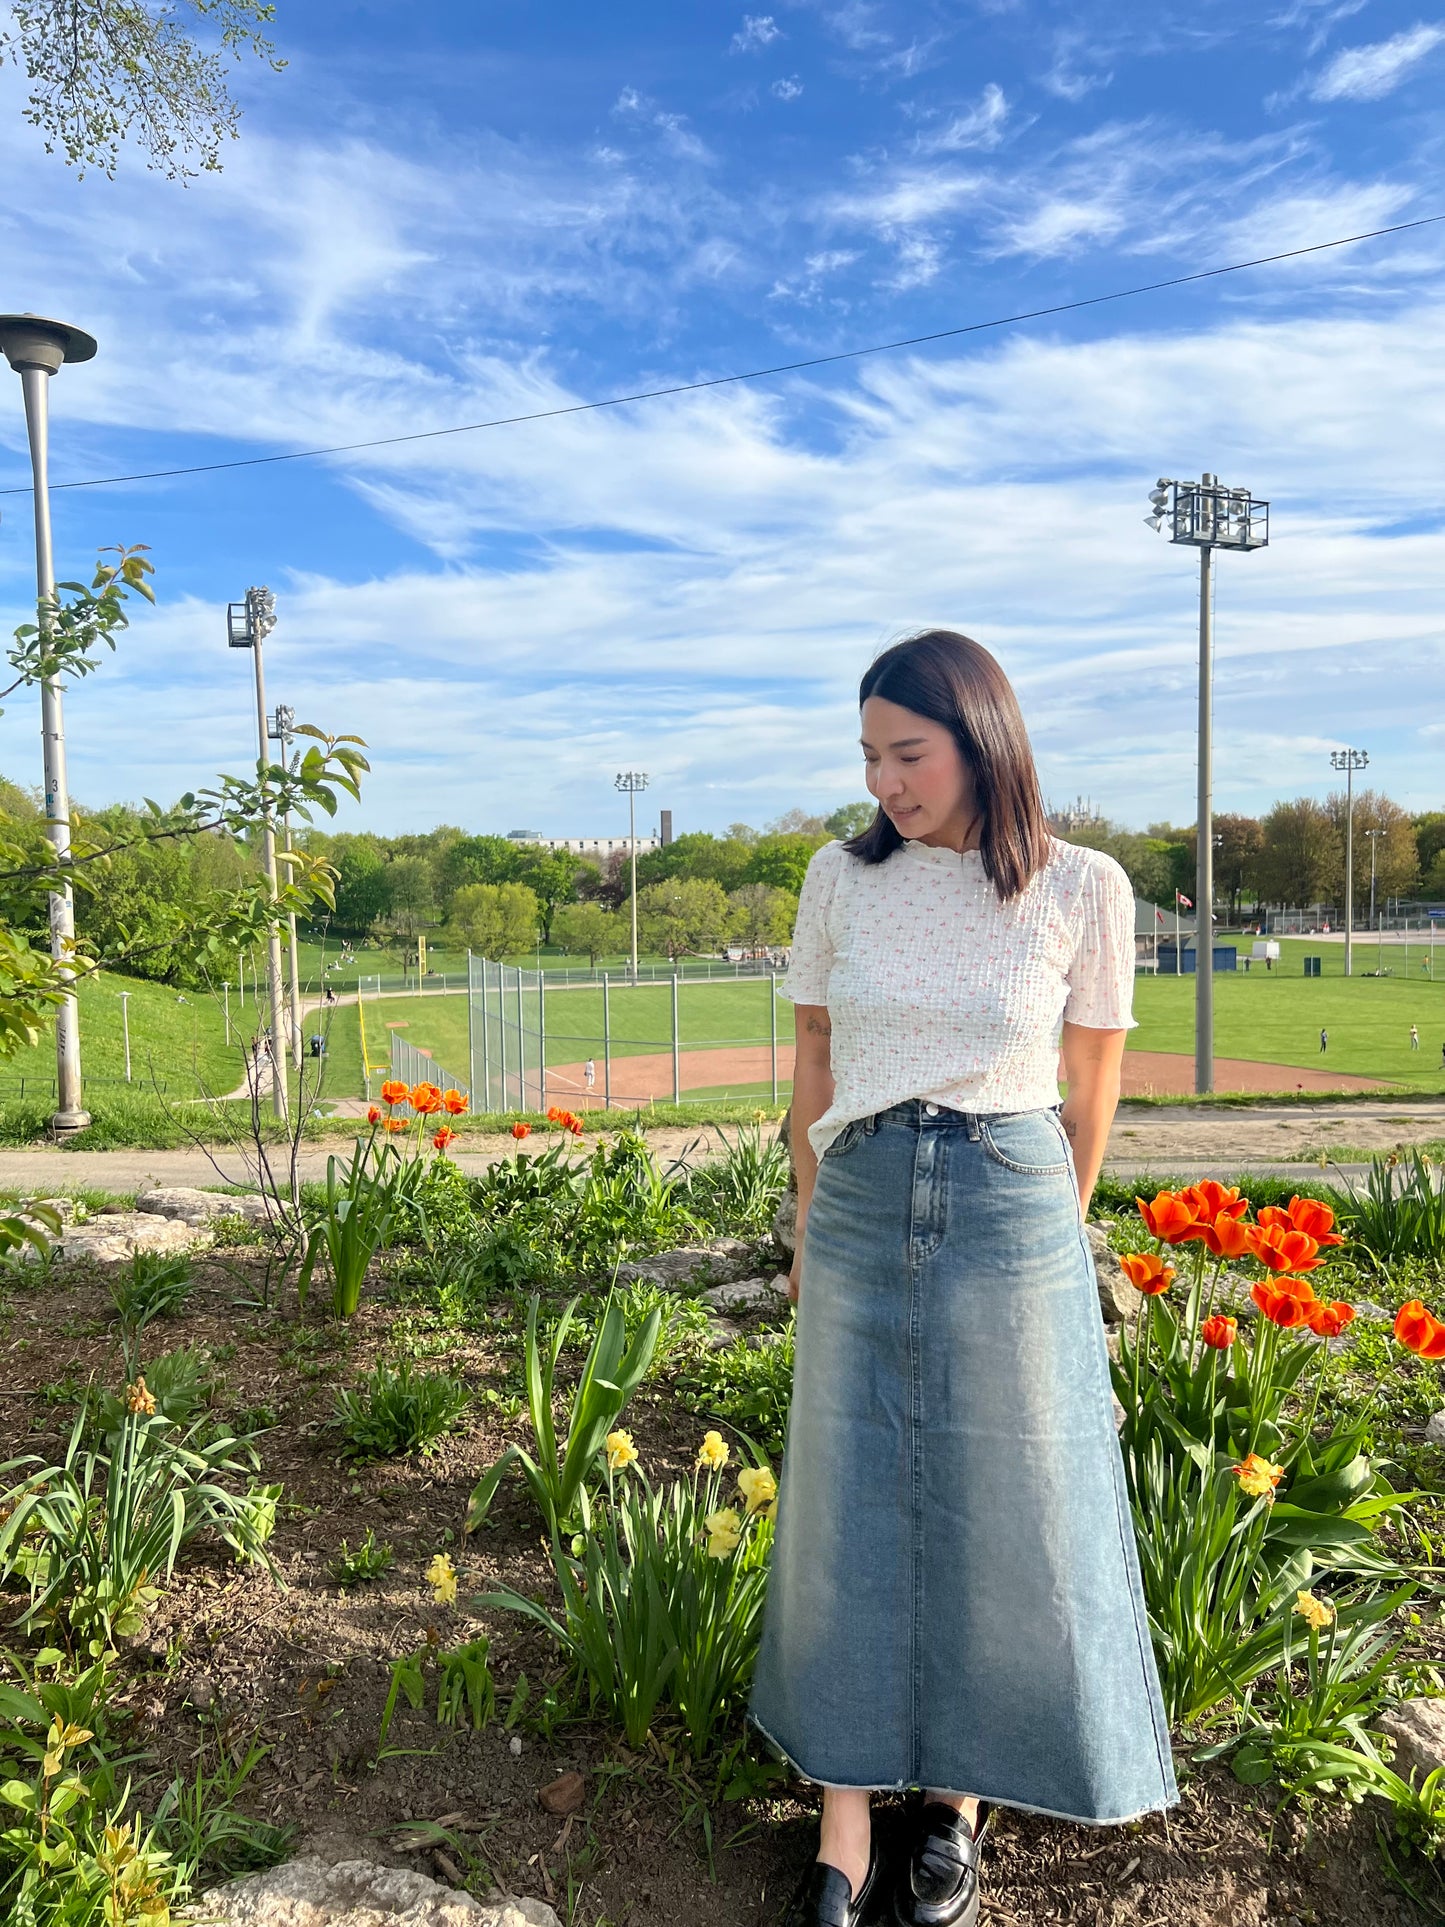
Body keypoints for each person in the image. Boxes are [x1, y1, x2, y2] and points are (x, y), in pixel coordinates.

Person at [751, 631, 1176, 1927]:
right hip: (863, 1194)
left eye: (907, 752)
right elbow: (813, 1058)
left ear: (982, 740)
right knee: (845, 1494)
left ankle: (954, 1807)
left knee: (1006, 1495)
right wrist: (809, 1218)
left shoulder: (1080, 887)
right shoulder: (841, 878)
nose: (882, 779)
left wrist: (1054, 1227)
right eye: (869, 754)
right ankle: (843, 1818)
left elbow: (1091, 1080)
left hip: (1012, 1197)